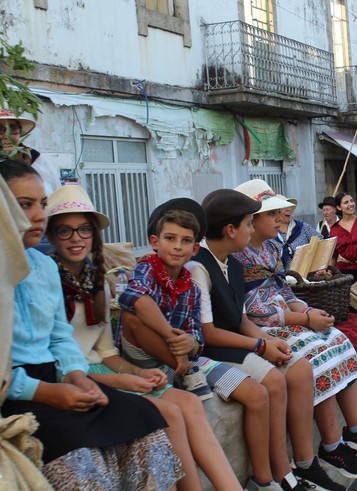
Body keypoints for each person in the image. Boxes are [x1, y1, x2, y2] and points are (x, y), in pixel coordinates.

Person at [44, 184, 243, 491]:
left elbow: (106, 352)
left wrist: (138, 373)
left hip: (108, 368)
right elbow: (55, 364)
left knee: (188, 404)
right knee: (169, 412)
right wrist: (126, 379)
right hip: (72, 378)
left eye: (84, 230)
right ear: (51, 236)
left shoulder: (97, 279)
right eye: (65, 231)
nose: (76, 239)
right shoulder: (45, 283)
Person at [0, 160, 182, 490]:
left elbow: (59, 335)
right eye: (24, 205)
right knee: (78, 455)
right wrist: (50, 393)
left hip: (59, 379)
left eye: (41, 204)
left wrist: (75, 375)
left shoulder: (42, 266)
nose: (39, 216)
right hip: (15, 395)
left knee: (146, 420)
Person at [232, 179, 357, 482]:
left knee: (338, 339)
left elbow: (285, 289)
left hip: (288, 316)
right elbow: (256, 311)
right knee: (315, 353)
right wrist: (305, 321)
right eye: (272, 214)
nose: (280, 217)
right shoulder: (239, 256)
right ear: (251, 220)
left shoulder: (270, 247)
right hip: (265, 327)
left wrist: (308, 311)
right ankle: (331, 445)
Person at [117, 201, 289, 490]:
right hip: (148, 357)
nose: (177, 247)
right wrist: (174, 338)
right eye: (170, 239)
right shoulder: (147, 267)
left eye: (186, 241)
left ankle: (263, 479)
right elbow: (133, 299)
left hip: (187, 359)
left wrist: (188, 342)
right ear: (155, 242)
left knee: (257, 393)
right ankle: (179, 369)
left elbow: (198, 338)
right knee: (134, 314)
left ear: (194, 249)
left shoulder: (190, 280)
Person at [187, 189, 338, 491]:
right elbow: (208, 333)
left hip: (233, 343)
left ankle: (287, 470)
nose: (252, 229)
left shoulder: (233, 264)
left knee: (281, 374)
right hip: (210, 350)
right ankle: (267, 478)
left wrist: (268, 344)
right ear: (230, 230)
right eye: (248, 224)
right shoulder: (198, 268)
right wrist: (259, 345)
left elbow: (242, 320)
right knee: (267, 384)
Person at [273, 195, 322, 270]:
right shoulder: (270, 233)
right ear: (276, 211)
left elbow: (321, 243)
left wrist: (316, 264)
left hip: (306, 275)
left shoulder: (302, 227)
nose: (289, 209)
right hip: (282, 278)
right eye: (285, 207)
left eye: (289, 206)